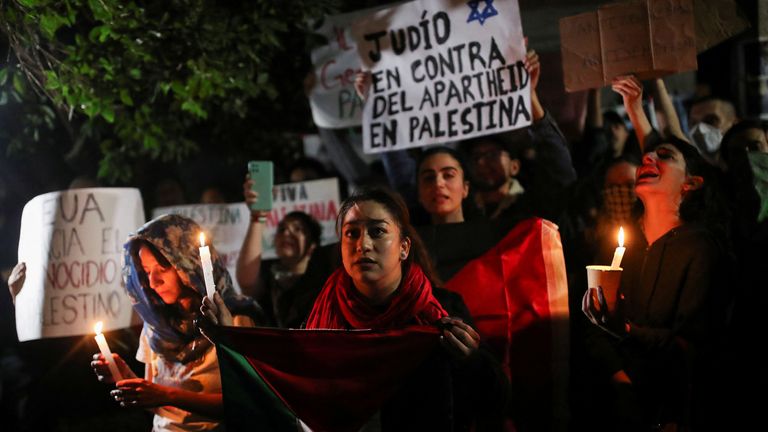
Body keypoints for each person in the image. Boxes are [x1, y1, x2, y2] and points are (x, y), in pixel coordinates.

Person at [207, 187, 509, 430]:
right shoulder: (317, 314)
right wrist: (230, 339)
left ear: (404, 247)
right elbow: (284, 384)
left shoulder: (442, 311)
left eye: (377, 232)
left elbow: (496, 399)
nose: (363, 244)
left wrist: (471, 360)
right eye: (352, 233)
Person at [583, 78, 731, 431]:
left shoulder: (700, 248)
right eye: (647, 156)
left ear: (691, 184)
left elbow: (692, 344)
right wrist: (619, 375)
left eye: (664, 157)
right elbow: (595, 330)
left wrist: (626, 329)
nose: (648, 157)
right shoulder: (622, 244)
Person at [92, 214, 254, 431]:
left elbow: (246, 403)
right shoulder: (156, 327)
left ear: (187, 263)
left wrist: (166, 394)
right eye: (147, 271)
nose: (153, 281)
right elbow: (159, 406)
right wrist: (124, 376)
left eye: (162, 268)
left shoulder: (233, 320)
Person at [236, 174, 330, 328]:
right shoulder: (268, 275)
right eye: (282, 229)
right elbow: (247, 283)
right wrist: (257, 216)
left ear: (312, 246)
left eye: (298, 229)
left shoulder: (325, 280)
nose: (287, 233)